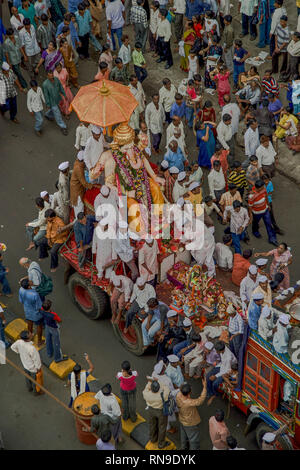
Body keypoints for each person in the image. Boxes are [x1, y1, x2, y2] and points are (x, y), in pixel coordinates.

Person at [176, 381, 207, 450]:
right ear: (189, 393)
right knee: (193, 439)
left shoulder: (178, 395)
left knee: (183, 435)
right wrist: (204, 387)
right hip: (190, 423)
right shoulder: (188, 402)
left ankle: (183, 447)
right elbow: (200, 400)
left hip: (182, 419)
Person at [11, 330, 43, 395]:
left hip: (25, 365)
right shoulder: (31, 348)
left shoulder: (19, 342)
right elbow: (37, 360)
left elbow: (12, 347)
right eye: (30, 334)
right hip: (33, 368)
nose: (31, 333)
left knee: (27, 377)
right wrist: (38, 368)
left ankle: (29, 388)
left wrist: (19, 352)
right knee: (35, 381)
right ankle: (36, 392)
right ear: (28, 338)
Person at [248, 179, 278, 246]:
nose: (263, 188)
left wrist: (268, 205)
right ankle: (255, 231)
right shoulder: (251, 196)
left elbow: (266, 196)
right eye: (262, 187)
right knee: (255, 223)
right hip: (256, 213)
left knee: (268, 224)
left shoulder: (263, 189)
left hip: (265, 210)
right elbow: (250, 207)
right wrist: (250, 216)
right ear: (258, 188)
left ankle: (272, 239)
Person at [206, 340, 237, 405]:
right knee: (208, 376)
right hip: (221, 365)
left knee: (215, 383)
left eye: (217, 351)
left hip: (228, 370)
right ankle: (210, 393)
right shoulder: (222, 347)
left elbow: (227, 370)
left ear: (221, 351)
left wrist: (216, 376)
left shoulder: (228, 358)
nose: (216, 352)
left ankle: (215, 394)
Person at [142, 379, 170, 449]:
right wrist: (161, 383)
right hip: (160, 411)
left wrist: (149, 381)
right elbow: (167, 389)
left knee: (152, 424)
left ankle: (153, 439)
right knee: (162, 427)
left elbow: (146, 388)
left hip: (151, 410)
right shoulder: (162, 395)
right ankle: (161, 443)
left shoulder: (146, 394)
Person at [18, 279, 44, 346]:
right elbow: (39, 306)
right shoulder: (35, 294)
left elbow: (21, 300)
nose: (31, 281)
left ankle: (30, 336)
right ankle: (39, 341)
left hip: (27, 310)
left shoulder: (21, 289)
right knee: (39, 326)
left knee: (30, 323)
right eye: (30, 282)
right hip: (36, 313)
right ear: (29, 286)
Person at [42, 70, 68, 135]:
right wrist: (48, 104)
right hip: (52, 102)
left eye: (52, 76)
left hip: (57, 99)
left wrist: (64, 95)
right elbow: (46, 95)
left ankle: (47, 115)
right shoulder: (45, 84)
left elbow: (61, 87)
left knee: (53, 110)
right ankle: (63, 127)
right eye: (50, 76)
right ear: (47, 76)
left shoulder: (56, 79)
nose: (52, 77)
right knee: (57, 114)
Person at [70, 151, 94, 217]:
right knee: (79, 211)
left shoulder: (78, 162)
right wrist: (93, 186)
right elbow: (84, 183)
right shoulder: (79, 168)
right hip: (77, 192)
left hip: (77, 188)